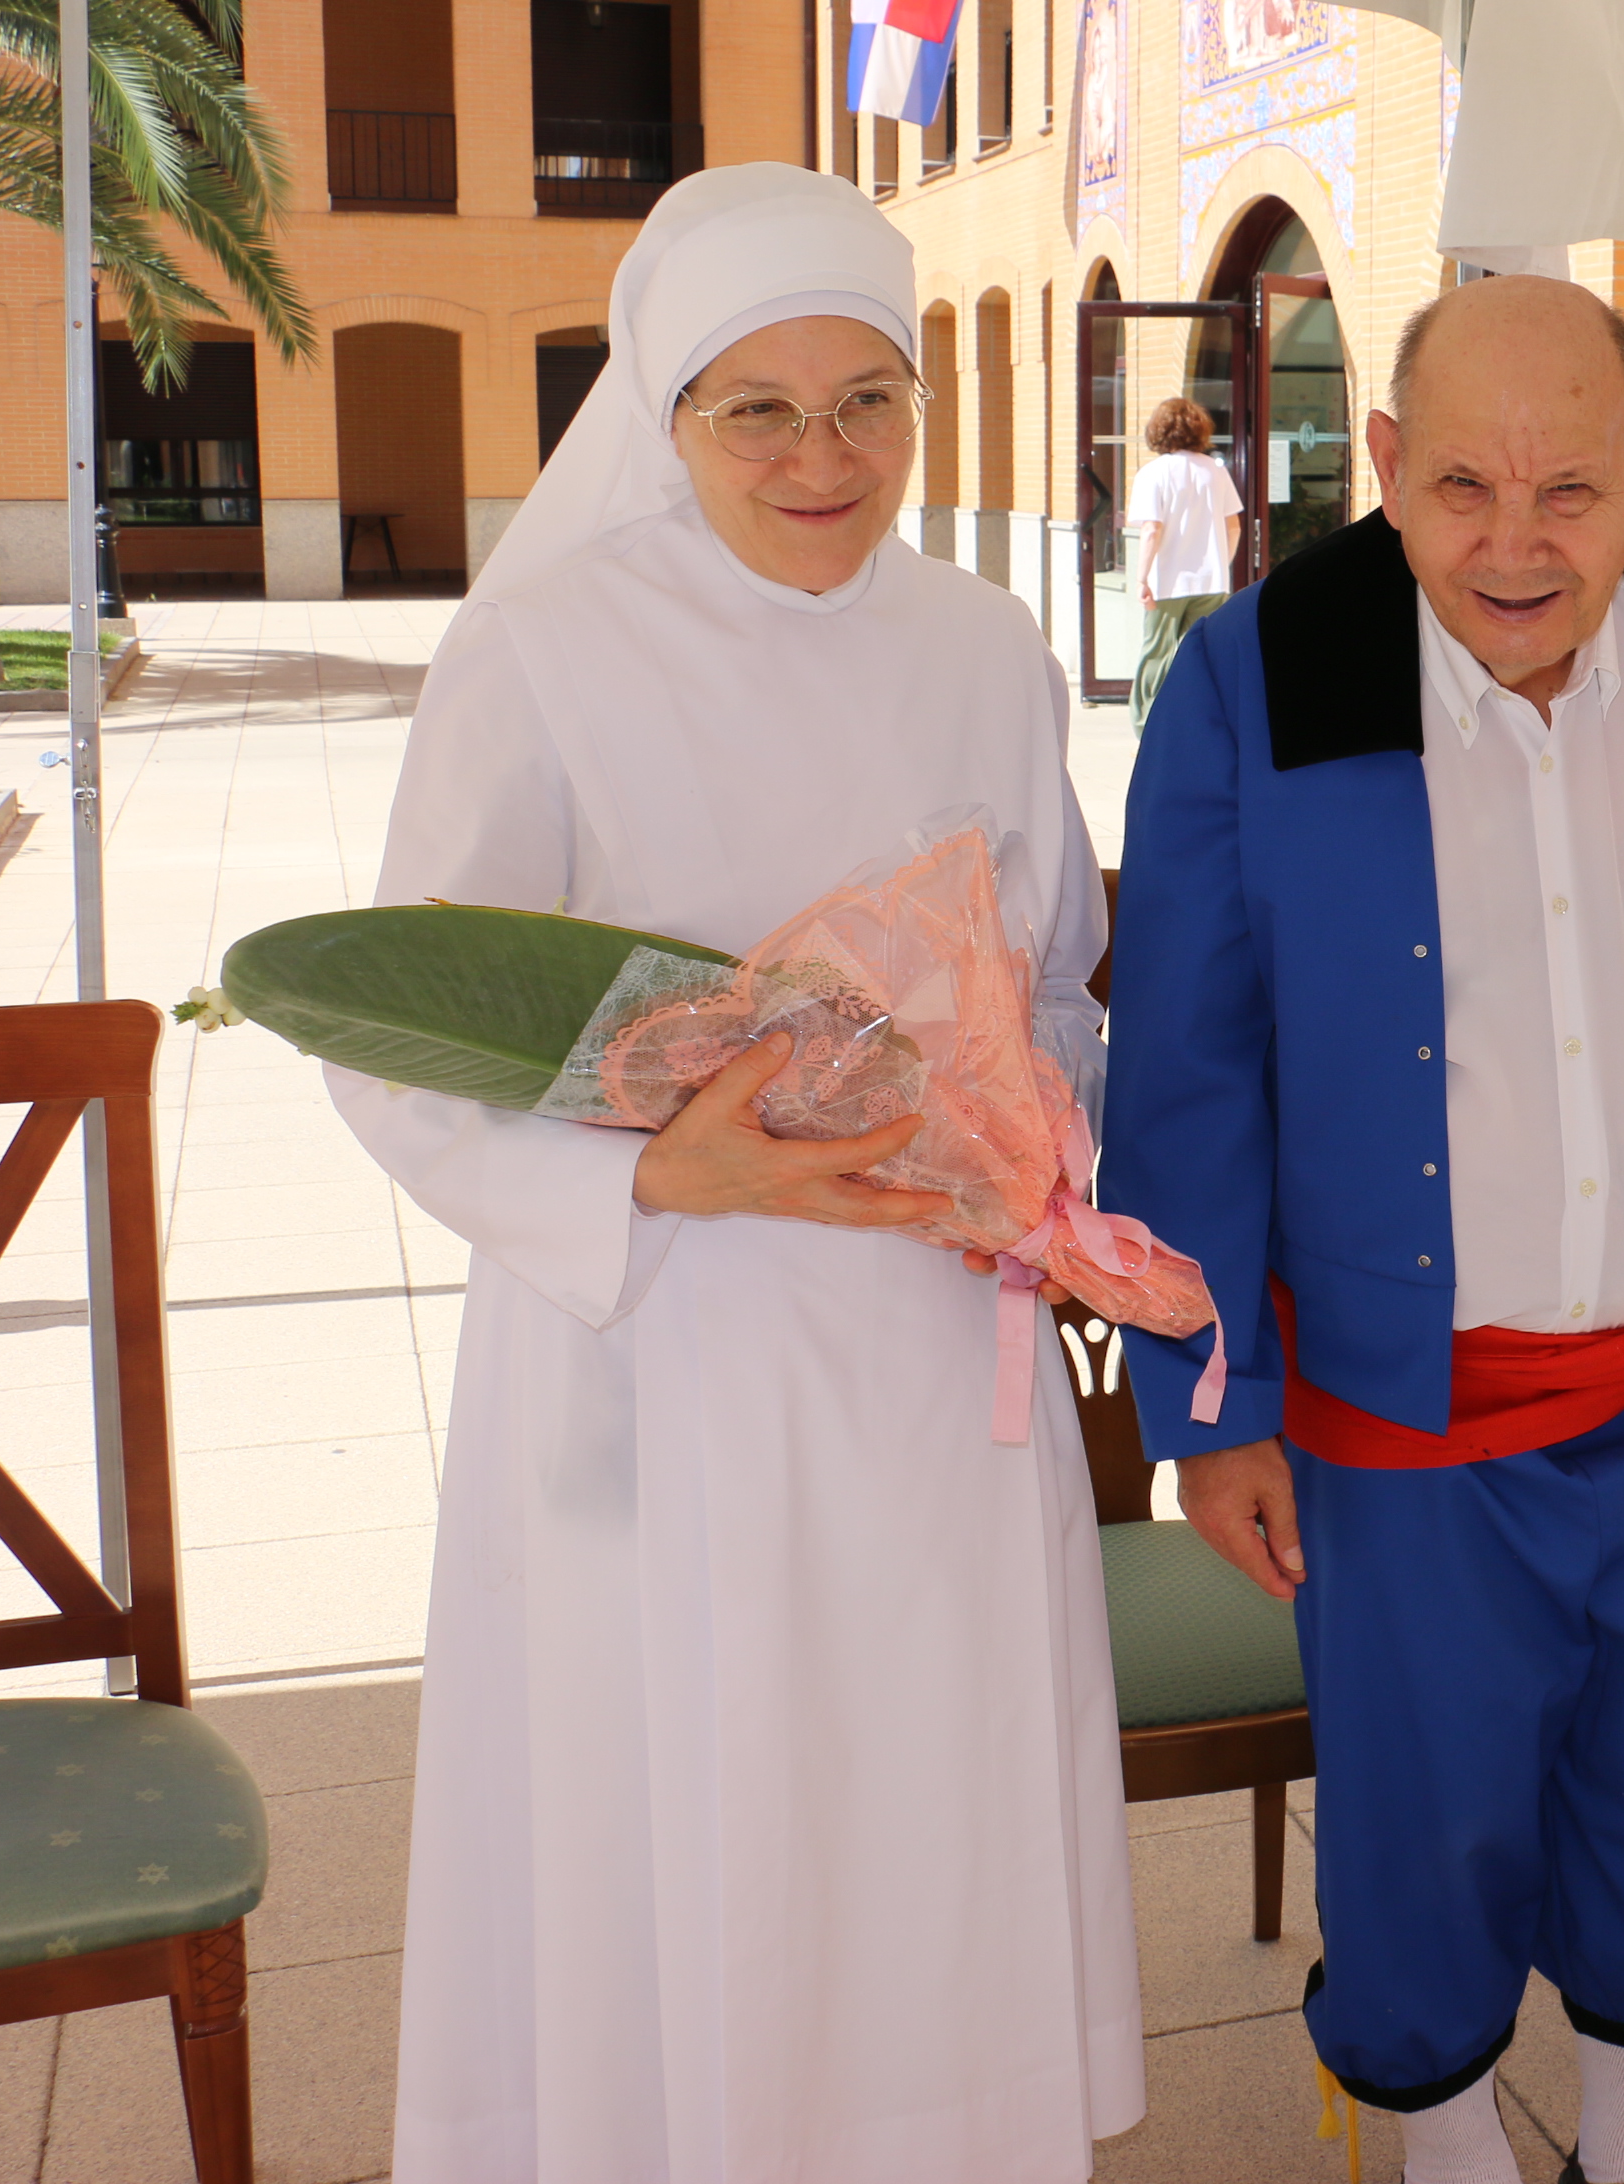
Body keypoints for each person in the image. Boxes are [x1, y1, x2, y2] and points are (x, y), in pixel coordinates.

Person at [334, 164, 1143, 2181]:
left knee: (919, 1823)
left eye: (869, 400)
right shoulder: (540, 654)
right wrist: (655, 1183)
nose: (822, 456)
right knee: (699, 1824)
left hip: (925, 1360)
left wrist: (1045, 1153)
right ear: (665, 412)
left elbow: (1049, 983)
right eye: (756, 409)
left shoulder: (983, 642)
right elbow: (398, 1037)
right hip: (658, 1369)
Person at [1103, 274, 1624, 2184]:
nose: (1513, 541)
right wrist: (1210, 1397)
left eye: (1568, 486)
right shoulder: (1260, 676)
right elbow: (1186, 1074)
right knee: (1428, 1819)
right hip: (1400, 1425)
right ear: (1381, 466)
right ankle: (1454, 2149)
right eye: (1462, 482)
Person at [1127, 392, 1243, 727]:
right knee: (1201, 655)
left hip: (1167, 580)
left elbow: (1152, 529)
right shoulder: (1215, 471)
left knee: (1156, 652)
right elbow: (1232, 525)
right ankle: (1196, 720)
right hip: (1211, 580)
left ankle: (1147, 723)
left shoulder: (1154, 473)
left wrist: (1141, 578)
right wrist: (1222, 561)